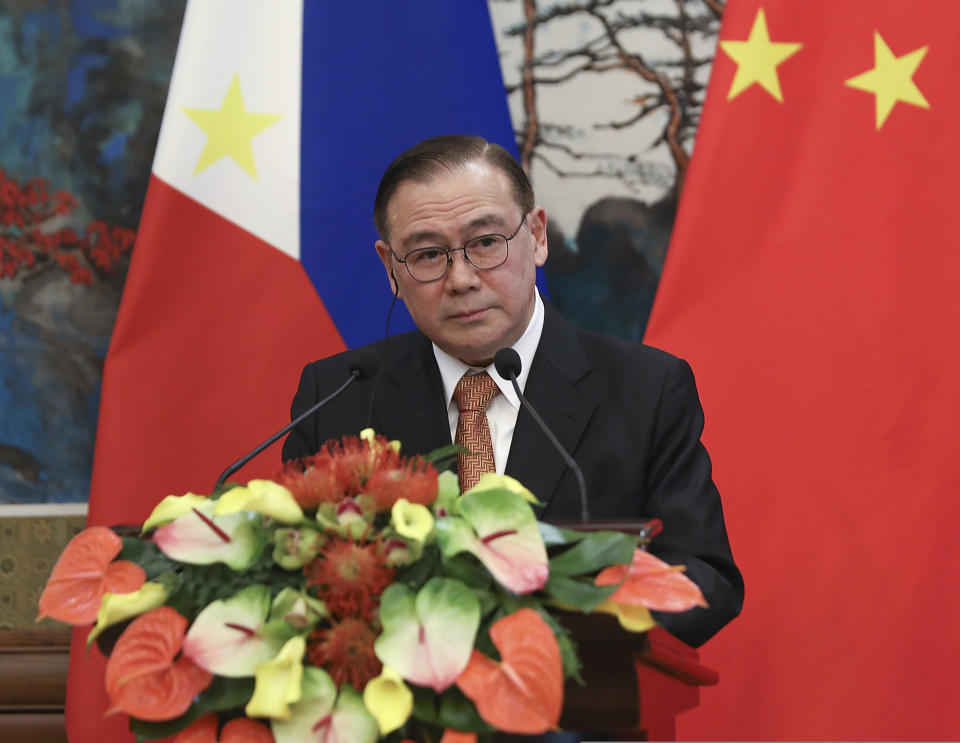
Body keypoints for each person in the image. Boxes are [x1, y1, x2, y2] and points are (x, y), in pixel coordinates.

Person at [282, 134, 743, 648]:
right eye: (428, 254)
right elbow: (291, 573)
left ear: (538, 236)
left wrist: (564, 629)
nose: (461, 279)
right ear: (391, 267)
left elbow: (705, 580)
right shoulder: (339, 396)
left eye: (485, 242)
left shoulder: (645, 389)